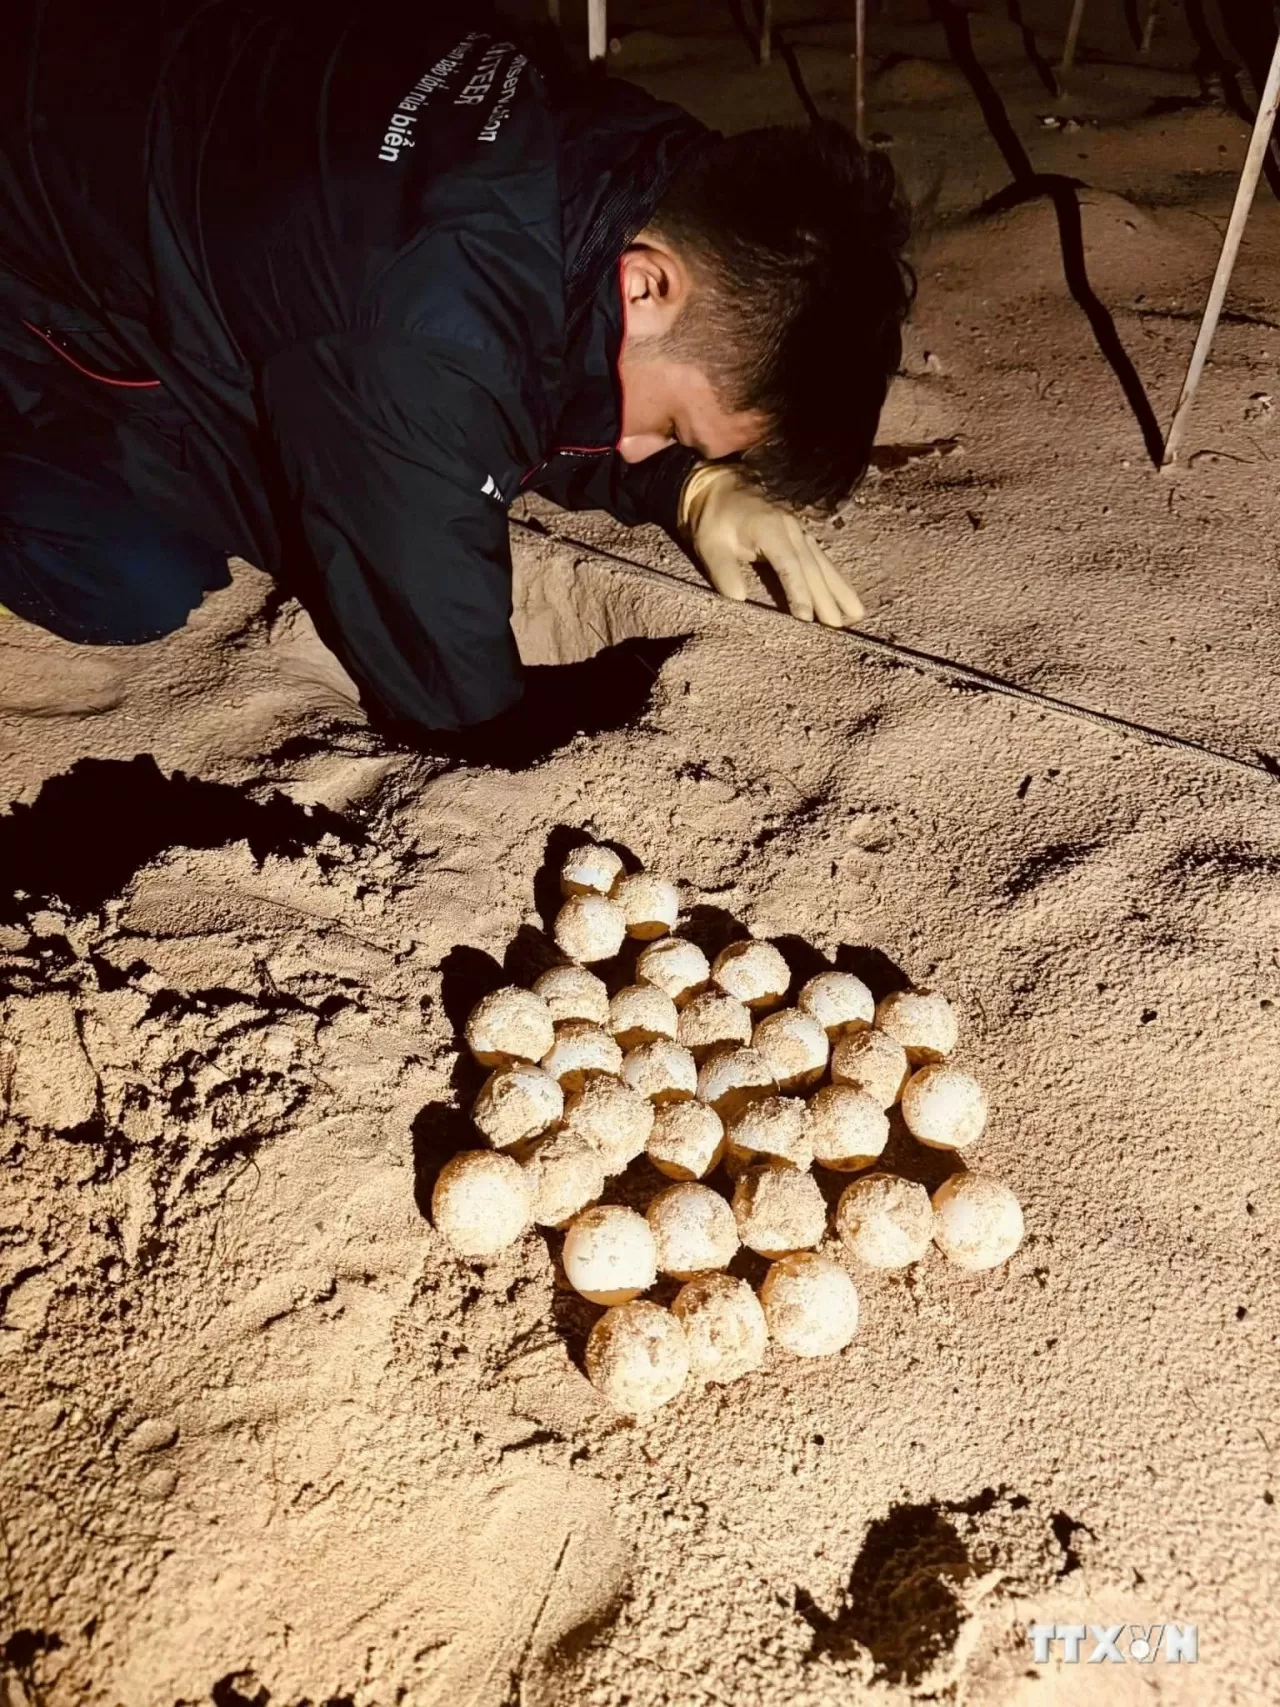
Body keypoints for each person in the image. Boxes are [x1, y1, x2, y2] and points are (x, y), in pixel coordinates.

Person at [0, 1, 913, 747]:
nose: (638, 446)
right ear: (645, 283)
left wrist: (688, 483)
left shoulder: (644, 164)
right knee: (141, 579)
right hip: (33, 243)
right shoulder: (419, 328)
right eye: (673, 429)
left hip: (155, 112)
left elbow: (555, 349)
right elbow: (449, 693)